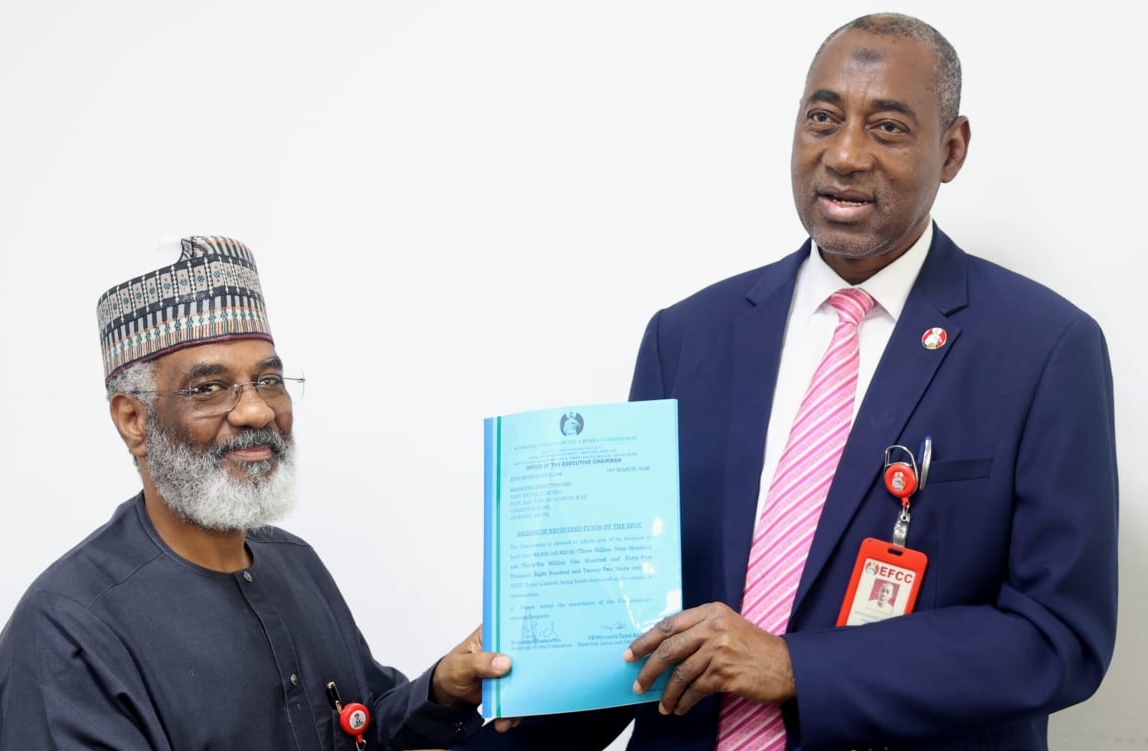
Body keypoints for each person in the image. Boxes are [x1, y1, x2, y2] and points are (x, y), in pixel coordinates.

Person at [457, 12, 1117, 751]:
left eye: (889, 128)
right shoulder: (687, 337)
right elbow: (634, 623)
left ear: (953, 148)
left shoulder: (1045, 348)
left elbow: (1059, 638)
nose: (845, 154)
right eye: (823, 118)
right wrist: (484, 695)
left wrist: (796, 665)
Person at [0, 235, 513, 750]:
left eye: (269, 380)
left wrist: (441, 690)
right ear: (134, 420)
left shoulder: (294, 562)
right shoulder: (67, 635)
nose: (257, 410)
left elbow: (361, 726)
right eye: (209, 388)